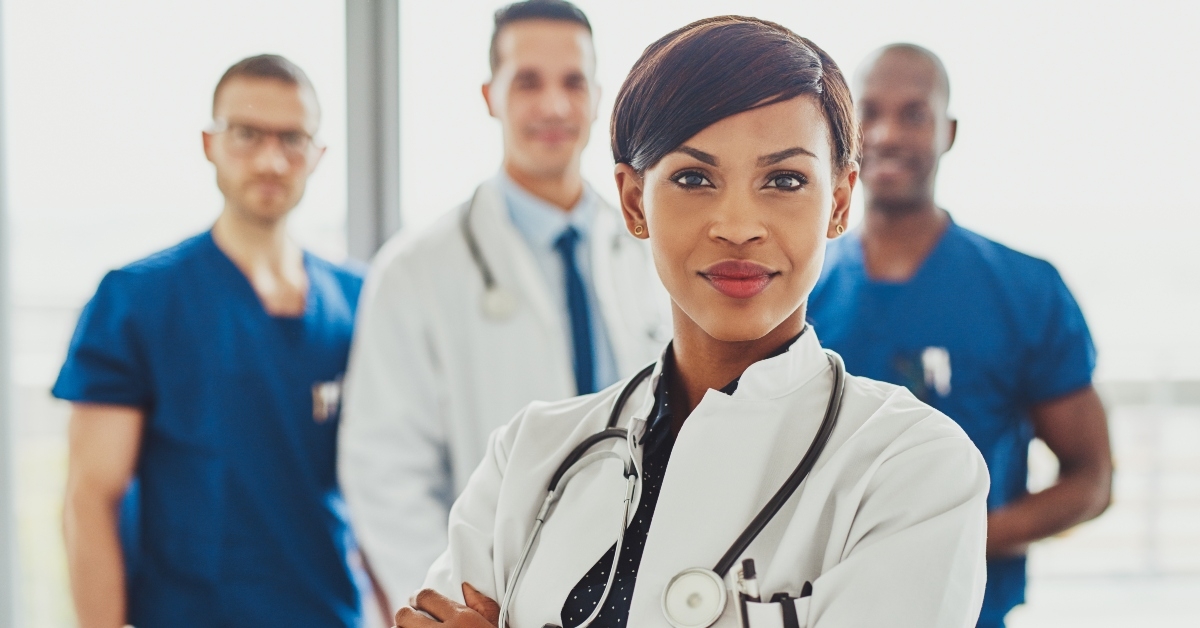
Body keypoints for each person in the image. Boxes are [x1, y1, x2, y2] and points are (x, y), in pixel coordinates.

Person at [393, 16, 989, 628]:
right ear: (633, 201)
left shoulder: (914, 468)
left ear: (838, 202)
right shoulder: (528, 457)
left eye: (784, 180)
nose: (737, 224)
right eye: (693, 178)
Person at [338, 0, 668, 610]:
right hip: (494, 596)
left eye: (572, 82)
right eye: (528, 82)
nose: (553, 105)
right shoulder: (416, 272)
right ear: (491, 95)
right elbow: (385, 475)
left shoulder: (653, 248)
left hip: (651, 585)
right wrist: (457, 600)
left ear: (598, 96)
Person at [807, 44, 1113, 628]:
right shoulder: (797, 294)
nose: (888, 133)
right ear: (844, 133)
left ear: (948, 131)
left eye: (914, 114)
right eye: (868, 113)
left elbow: (1090, 479)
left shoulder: (1025, 290)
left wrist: (957, 538)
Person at [55, 55, 367, 627]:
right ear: (210, 143)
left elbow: (386, 485)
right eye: (247, 135)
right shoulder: (136, 301)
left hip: (329, 612)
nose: (272, 159)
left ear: (318, 154)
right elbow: (90, 497)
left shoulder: (360, 301)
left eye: (293, 139)